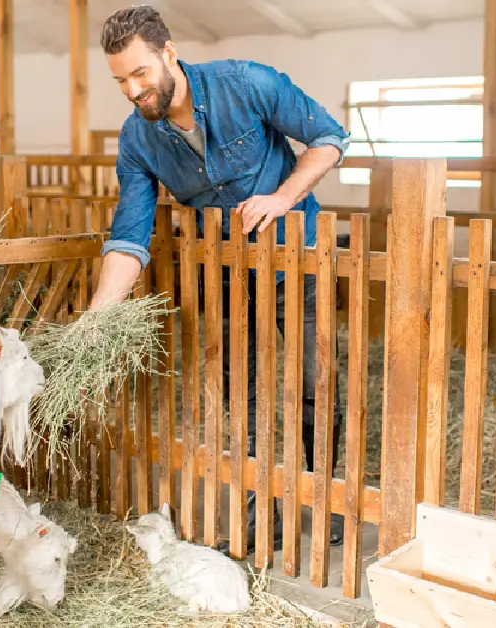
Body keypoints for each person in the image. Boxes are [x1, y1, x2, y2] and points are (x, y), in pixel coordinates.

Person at [90, 5, 350, 555]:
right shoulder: (138, 139)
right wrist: (99, 313)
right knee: (245, 398)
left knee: (314, 385)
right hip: (230, 279)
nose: (133, 91)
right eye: (120, 81)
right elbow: (130, 233)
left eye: (139, 74)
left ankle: (330, 504)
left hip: (294, 263)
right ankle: (265, 518)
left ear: (168, 54)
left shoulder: (247, 84)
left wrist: (283, 197)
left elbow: (329, 137)